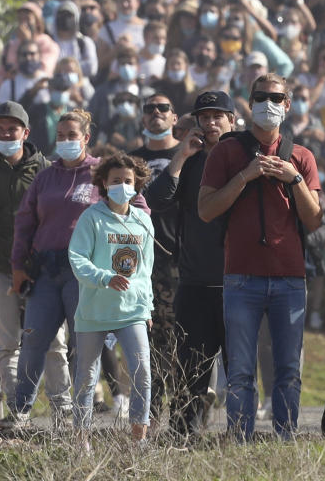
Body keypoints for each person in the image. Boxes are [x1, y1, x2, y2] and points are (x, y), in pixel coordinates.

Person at [198, 73, 323, 440]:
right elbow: (206, 209)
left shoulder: (301, 156)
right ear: (249, 103)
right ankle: (240, 440)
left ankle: (284, 441)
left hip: (289, 277)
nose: (267, 103)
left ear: (287, 105)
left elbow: (315, 220)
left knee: (288, 369)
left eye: (276, 97)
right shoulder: (227, 151)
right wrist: (245, 176)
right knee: (239, 370)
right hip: (241, 277)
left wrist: (294, 179)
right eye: (260, 96)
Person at [8, 109, 147, 424]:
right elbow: (24, 222)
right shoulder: (45, 176)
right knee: (33, 340)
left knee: (82, 347)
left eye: (72, 135)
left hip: (85, 273)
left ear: (86, 138)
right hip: (44, 270)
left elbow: (138, 207)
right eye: (61, 136)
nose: (66, 141)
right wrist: (17, 265)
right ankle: (19, 412)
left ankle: (80, 418)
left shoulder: (102, 173)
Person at [0, 101, 72, 424]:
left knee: (53, 342)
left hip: (43, 270)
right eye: (0, 128)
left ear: (26, 132)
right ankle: (18, 411)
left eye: (12, 128)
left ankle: (63, 412)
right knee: (6, 346)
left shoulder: (47, 171)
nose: (6, 133)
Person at [144, 90, 236, 438]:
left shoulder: (243, 158)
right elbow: (156, 201)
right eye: (204, 117)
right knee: (190, 367)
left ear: (231, 120)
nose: (211, 123)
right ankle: (183, 433)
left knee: (238, 367)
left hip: (237, 279)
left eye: (218, 116)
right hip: (195, 279)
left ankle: (240, 434)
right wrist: (181, 155)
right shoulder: (192, 160)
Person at [69, 153, 154, 446]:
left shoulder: (143, 221)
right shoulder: (91, 218)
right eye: (116, 180)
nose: (122, 185)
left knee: (142, 371)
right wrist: (105, 277)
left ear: (137, 184)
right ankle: (82, 441)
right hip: (93, 312)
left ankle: (139, 439)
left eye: (128, 181)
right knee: (86, 378)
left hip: (132, 311)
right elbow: (77, 258)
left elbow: (146, 271)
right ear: (104, 183)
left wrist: (148, 306)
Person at [129, 95, 180, 427]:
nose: (156, 113)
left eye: (163, 108)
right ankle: (147, 416)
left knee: (179, 342)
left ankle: (182, 420)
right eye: (149, 109)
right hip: (141, 263)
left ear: (174, 117)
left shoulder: (190, 155)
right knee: (144, 342)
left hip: (181, 259)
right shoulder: (131, 161)